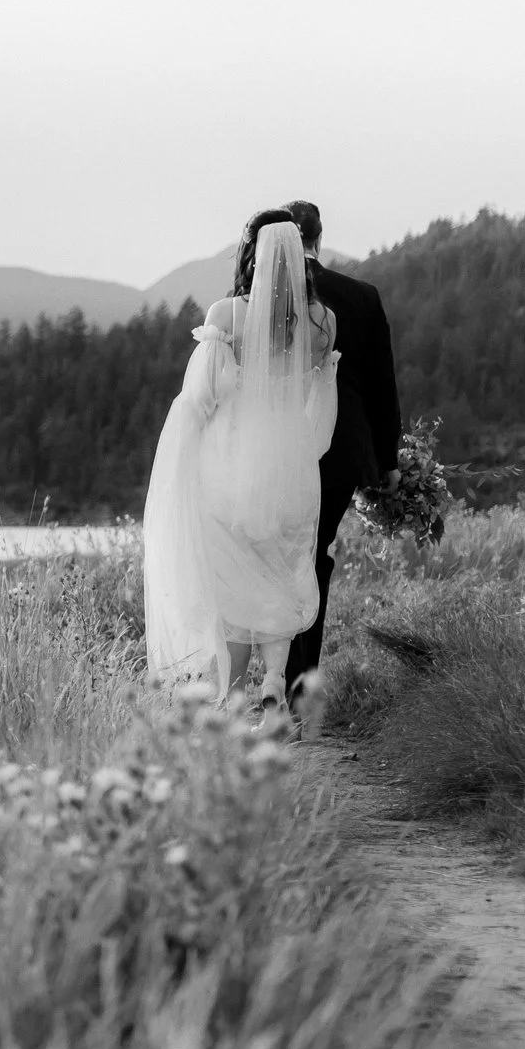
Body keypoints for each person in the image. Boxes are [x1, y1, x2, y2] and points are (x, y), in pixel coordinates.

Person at [142, 212, 341, 705]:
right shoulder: (322, 323)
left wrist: (181, 453)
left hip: (230, 468)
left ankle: (230, 699)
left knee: (233, 582)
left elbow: (201, 397)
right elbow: (321, 411)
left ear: (251, 255)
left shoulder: (226, 316)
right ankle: (274, 682)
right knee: (279, 574)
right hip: (291, 469)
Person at [280, 200, 402, 703]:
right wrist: (388, 461)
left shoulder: (263, 296)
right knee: (315, 557)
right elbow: (381, 385)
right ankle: (301, 683)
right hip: (339, 449)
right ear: (319, 238)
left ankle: (277, 681)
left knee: (282, 556)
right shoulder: (361, 296)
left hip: (278, 449)